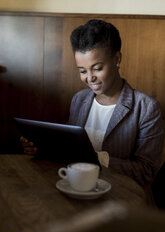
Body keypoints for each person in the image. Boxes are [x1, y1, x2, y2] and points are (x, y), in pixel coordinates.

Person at [20, 19, 164, 205]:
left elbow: (146, 172)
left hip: (124, 204)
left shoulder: (146, 108)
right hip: (78, 194)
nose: (89, 78)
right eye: (82, 71)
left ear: (117, 59)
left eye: (97, 68)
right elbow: (69, 151)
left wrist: (97, 158)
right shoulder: (79, 100)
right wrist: (42, 149)